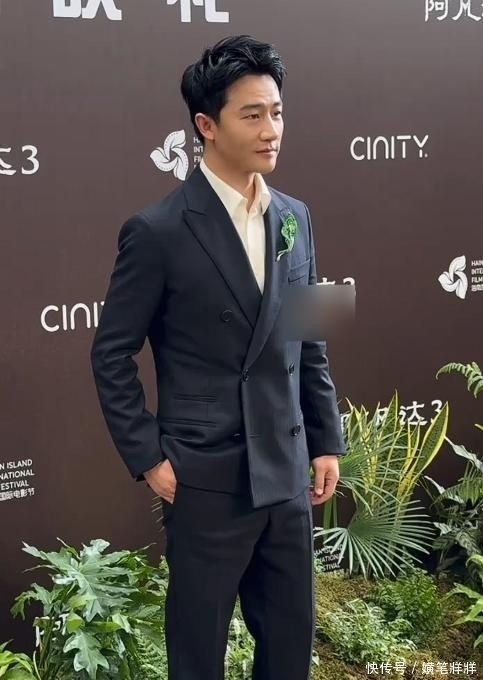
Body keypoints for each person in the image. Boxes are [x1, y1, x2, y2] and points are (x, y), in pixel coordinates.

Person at [90, 34, 346, 680]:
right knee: (197, 654)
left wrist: (325, 440)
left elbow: (309, 338)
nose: (271, 130)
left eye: (277, 112)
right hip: (206, 479)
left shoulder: (296, 216)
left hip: (286, 473)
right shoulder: (158, 231)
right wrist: (149, 457)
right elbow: (111, 353)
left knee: (288, 648)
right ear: (206, 125)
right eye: (252, 115)